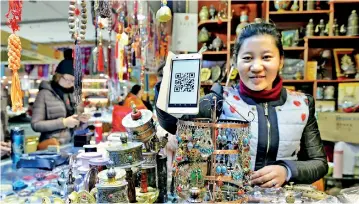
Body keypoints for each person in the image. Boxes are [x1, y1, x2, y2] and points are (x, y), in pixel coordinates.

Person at [155, 22, 328, 187]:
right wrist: (168, 85)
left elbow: (319, 163)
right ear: (235, 62)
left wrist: (287, 170)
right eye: (247, 58)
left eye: (266, 57)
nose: (256, 67)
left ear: (281, 60)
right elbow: (172, 122)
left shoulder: (301, 104)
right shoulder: (220, 99)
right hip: (230, 197)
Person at [31, 49, 90, 150]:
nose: (70, 83)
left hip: (71, 145)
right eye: (68, 79)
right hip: (51, 147)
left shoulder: (74, 93)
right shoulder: (44, 94)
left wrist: (80, 119)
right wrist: (63, 122)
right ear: (58, 76)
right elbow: (36, 125)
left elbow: (74, 119)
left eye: (74, 81)